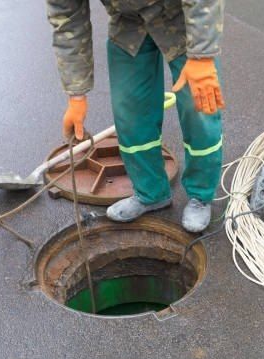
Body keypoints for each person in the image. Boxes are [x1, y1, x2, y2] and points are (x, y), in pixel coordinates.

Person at [46, 0, 225, 232]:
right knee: (130, 114)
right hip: (128, 25)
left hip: (182, 18)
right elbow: (68, 20)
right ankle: (150, 193)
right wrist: (76, 95)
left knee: (199, 110)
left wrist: (202, 56)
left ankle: (201, 196)